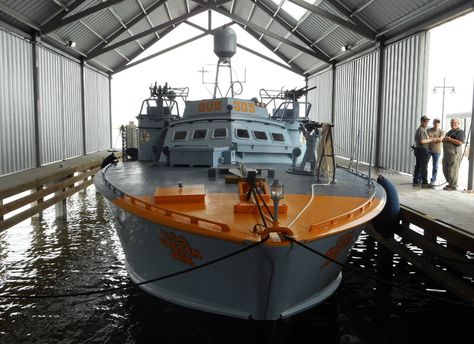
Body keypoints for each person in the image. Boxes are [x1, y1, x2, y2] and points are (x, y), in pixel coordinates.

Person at [413, 116, 439, 188]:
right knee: (424, 167)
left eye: (427, 121)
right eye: (425, 121)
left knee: (418, 166)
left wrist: (429, 139)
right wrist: (431, 140)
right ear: (421, 121)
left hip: (418, 149)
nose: (426, 122)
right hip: (422, 149)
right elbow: (422, 141)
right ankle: (425, 183)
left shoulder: (423, 129)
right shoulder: (421, 130)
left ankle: (416, 181)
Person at [442, 117, 465, 190]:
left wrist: (450, 139)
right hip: (447, 153)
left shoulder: (460, 132)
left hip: (454, 153)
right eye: (452, 123)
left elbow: (460, 142)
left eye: (455, 123)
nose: (453, 124)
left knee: (453, 169)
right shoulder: (449, 132)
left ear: (458, 124)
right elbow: (444, 139)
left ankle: (453, 185)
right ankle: (450, 183)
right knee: (445, 168)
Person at [427, 118, 444, 185]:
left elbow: (441, 139)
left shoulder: (441, 131)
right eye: (435, 122)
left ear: (439, 124)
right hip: (428, 149)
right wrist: (436, 139)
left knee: (435, 166)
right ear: (433, 123)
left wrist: (432, 139)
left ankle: (433, 180)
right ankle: (422, 178)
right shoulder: (428, 130)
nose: (436, 124)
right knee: (425, 164)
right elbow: (427, 138)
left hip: (437, 151)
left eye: (438, 123)